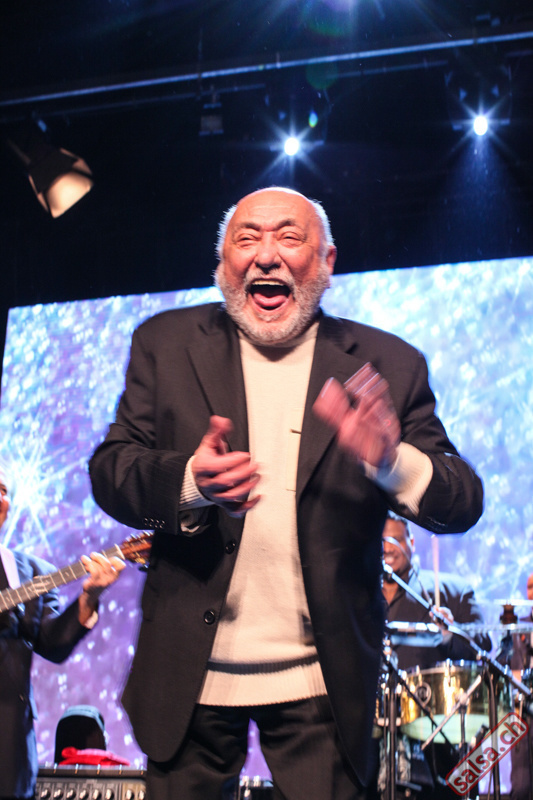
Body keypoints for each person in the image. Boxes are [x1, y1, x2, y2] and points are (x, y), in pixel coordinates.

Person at [89, 186, 484, 800]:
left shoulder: (387, 362)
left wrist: (391, 461)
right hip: (188, 675)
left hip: (323, 681)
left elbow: (462, 500)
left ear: (327, 261)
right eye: (246, 238)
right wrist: (190, 482)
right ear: (224, 262)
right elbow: (112, 470)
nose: (266, 255)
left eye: (289, 237)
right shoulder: (164, 344)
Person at [0, 463, 125, 800]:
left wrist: (90, 597)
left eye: (3, 491)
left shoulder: (33, 573)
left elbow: (53, 645)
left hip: (7, 744)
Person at [378, 513, 492, 799]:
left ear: (411, 542)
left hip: (436, 734)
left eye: (395, 540)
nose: (387, 547)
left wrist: (450, 634)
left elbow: (483, 644)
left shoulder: (451, 590)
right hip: (372, 732)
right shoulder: (359, 595)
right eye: (381, 541)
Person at [509, 572, 533, 800]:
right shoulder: (518, 629)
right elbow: (504, 665)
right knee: (522, 785)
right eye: (530, 587)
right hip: (523, 712)